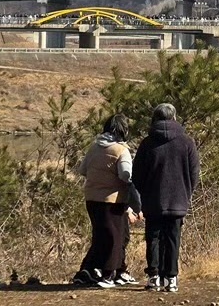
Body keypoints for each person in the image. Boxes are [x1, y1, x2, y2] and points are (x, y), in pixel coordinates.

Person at [132, 103, 200, 293]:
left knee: (153, 237)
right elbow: (194, 173)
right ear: (174, 117)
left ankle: (154, 277)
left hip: (153, 200)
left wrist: (143, 195)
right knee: (173, 238)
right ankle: (171, 278)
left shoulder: (147, 143)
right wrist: (186, 193)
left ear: (154, 118)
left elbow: (137, 175)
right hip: (178, 199)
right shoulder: (187, 142)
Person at [74, 114, 135, 288]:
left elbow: (83, 170)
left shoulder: (95, 147)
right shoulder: (121, 150)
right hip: (113, 201)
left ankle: (88, 270)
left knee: (101, 236)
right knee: (115, 238)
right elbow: (125, 175)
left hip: (92, 198)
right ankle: (108, 274)